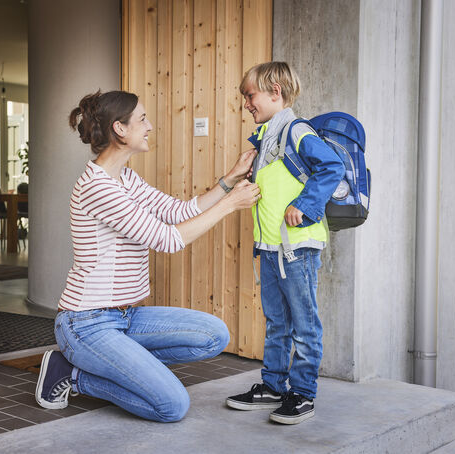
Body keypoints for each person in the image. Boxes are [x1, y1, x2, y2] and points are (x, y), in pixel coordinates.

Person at [35, 90, 260, 423]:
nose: (149, 126)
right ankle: (72, 375)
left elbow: (177, 211)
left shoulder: (125, 178)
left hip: (127, 318)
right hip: (86, 325)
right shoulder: (97, 187)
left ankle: (124, 364)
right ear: (120, 129)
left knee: (215, 335)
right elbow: (167, 239)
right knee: (171, 406)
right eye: (142, 119)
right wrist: (230, 205)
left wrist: (230, 179)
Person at [225, 62, 345, 424]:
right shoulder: (265, 137)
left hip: (298, 247)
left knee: (304, 324)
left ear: (275, 92)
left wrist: (304, 206)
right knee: (277, 322)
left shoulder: (296, 131)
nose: (246, 102)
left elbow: (332, 166)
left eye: (250, 95)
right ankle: (273, 386)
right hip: (271, 248)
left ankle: (303, 393)